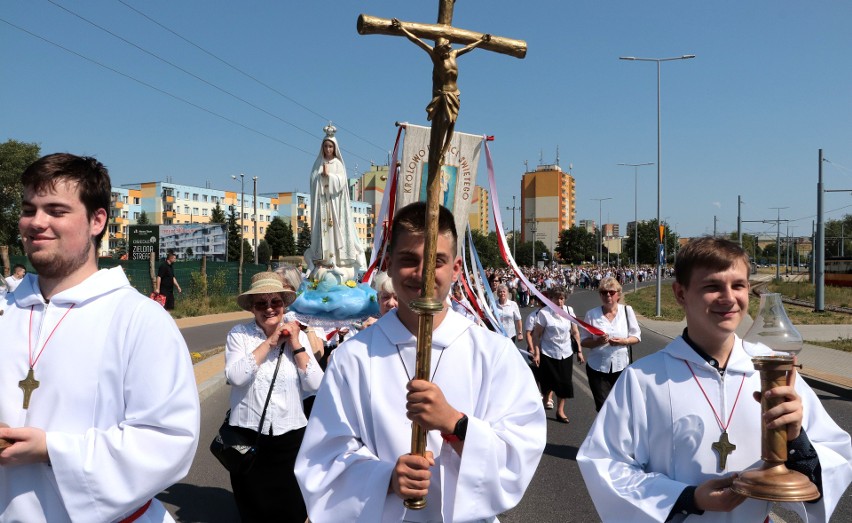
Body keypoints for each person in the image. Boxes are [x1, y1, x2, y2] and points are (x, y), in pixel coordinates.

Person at [295, 202, 545, 522]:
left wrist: (456, 425)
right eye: (409, 260)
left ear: (455, 269)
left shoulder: (493, 354)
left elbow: (520, 452)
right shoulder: (352, 359)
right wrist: (385, 478)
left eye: (436, 262)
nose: (423, 274)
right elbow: (321, 461)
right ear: (388, 264)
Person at [577, 236, 852, 522]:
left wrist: (796, 438)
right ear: (681, 294)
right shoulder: (644, 379)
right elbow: (605, 464)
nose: (729, 297)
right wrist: (687, 497)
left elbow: (835, 458)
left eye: (739, 285)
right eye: (712, 286)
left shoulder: (771, 370)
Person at [0, 153, 200, 522]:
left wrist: (51, 450)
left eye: (56, 210)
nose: (36, 223)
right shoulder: (5, 309)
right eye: (29, 209)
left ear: (97, 220)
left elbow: (168, 442)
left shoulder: (139, 319)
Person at [224, 271, 323, 522]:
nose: (269, 308)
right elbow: (236, 376)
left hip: (291, 437)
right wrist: (270, 342)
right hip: (248, 436)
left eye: (275, 302)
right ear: (252, 308)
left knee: (292, 507)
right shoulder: (240, 335)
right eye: (261, 303)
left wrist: (296, 344)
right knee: (253, 508)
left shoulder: (296, 334)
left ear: (283, 305)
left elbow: (316, 383)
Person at [304, 124, 365, 280]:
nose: (328, 149)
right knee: (324, 232)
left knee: (335, 231)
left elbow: (341, 183)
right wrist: (320, 177)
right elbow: (313, 182)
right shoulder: (317, 164)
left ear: (335, 148)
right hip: (322, 205)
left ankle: (337, 259)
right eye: (326, 146)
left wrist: (329, 177)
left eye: (330, 146)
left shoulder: (338, 164)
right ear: (322, 147)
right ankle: (324, 260)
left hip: (335, 205)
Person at [580, 276, 641, 411]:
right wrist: (597, 342)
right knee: (603, 408)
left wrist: (623, 341)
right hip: (598, 368)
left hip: (621, 368)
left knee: (621, 407)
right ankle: (606, 431)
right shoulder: (591, 314)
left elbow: (636, 336)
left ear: (618, 294)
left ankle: (619, 431)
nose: (608, 295)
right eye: (603, 292)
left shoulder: (627, 311)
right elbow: (583, 341)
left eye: (611, 292)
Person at [531, 287, 584, 424]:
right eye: (556, 298)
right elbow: (537, 335)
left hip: (565, 352)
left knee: (564, 382)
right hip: (548, 352)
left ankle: (560, 411)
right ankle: (545, 399)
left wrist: (579, 351)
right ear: (551, 299)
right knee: (548, 382)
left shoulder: (569, 311)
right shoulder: (544, 313)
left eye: (562, 298)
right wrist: (537, 353)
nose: (559, 301)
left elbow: (575, 332)